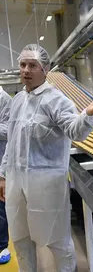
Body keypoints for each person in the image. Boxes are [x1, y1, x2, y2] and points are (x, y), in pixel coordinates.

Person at [0, 44, 93, 272]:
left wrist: (88, 114)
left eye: (32, 65)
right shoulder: (18, 99)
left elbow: (74, 130)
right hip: (17, 182)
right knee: (20, 237)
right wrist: (2, 176)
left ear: (45, 69)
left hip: (46, 184)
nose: (26, 70)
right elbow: (12, 140)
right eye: (22, 65)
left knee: (56, 240)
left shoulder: (56, 100)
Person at [0, 87, 12, 264]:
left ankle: (1, 245)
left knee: (0, 208)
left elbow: (9, 129)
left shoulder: (4, 99)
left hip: (0, 160)